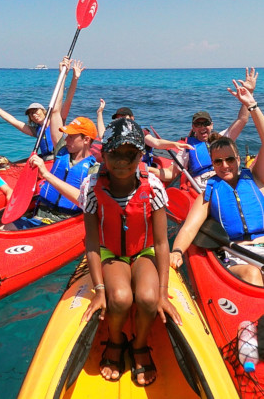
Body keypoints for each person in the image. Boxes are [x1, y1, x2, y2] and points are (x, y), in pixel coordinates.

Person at [80, 118, 180, 386]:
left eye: (130, 154)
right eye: (115, 153)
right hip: (110, 253)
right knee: (121, 298)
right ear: (104, 153)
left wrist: (162, 293)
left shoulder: (154, 187)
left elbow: (160, 243)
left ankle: (140, 343)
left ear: (141, 156)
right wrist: (99, 290)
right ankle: (116, 340)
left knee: (147, 298)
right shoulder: (91, 188)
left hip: (144, 251)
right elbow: (91, 242)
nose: (122, 161)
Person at [170, 78, 264, 287]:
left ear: (239, 160)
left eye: (230, 159)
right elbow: (189, 228)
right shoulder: (209, 193)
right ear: (213, 165)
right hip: (237, 258)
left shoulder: (257, 179)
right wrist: (177, 252)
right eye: (218, 161)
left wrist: (251, 104)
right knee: (252, 274)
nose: (225, 165)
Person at [164, 67, 258, 183]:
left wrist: (250, 94)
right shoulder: (187, 148)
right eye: (198, 124)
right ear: (193, 128)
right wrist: (146, 169)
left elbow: (242, 119)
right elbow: (170, 173)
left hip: (226, 183)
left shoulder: (223, 139)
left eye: (206, 123)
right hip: (204, 188)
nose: (203, 127)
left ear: (211, 125)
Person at [11, 112, 98, 229]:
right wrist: (65, 92)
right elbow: (56, 112)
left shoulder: (94, 169)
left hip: (65, 221)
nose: (66, 139)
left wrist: (46, 174)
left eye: (71, 136)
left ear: (86, 140)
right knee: (4, 228)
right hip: (40, 215)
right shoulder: (61, 150)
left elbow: (86, 201)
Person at [0, 59, 85, 157]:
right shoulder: (36, 131)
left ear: (43, 111)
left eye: (35, 111)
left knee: (56, 109)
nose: (34, 114)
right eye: (31, 114)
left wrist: (74, 78)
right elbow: (14, 121)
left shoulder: (58, 120)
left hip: (58, 157)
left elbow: (68, 100)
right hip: (46, 161)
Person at [95, 103, 191, 184]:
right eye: (118, 119)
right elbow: (103, 136)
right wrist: (99, 113)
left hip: (141, 170)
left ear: (132, 118)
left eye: (124, 117)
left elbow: (156, 142)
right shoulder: (116, 133)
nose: (122, 121)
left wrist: (174, 144)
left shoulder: (140, 132)